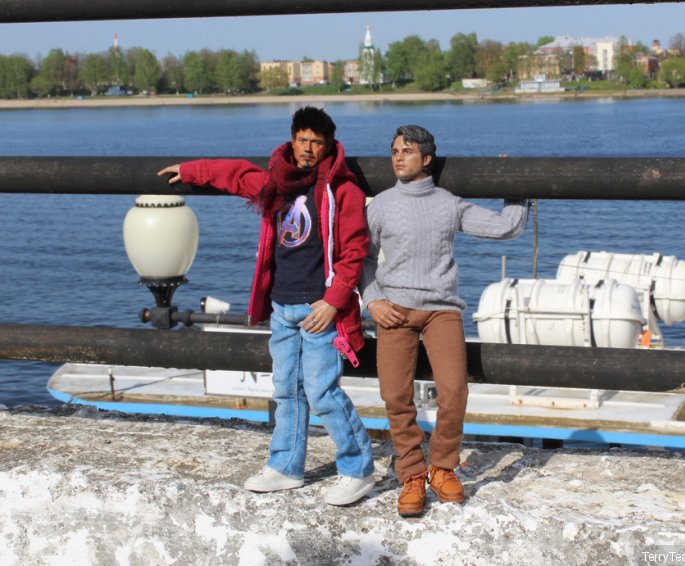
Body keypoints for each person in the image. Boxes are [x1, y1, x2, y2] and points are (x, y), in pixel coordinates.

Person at [156, 106, 374, 506]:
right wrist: (189, 171)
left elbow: (356, 250)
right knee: (286, 391)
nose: (308, 149)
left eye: (317, 143)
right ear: (293, 140)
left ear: (328, 146)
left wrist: (333, 301)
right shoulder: (277, 182)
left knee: (323, 393)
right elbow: (236, 174)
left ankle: (357, 469)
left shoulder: (344, 191)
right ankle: (286, 466)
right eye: (302, 140)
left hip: (319, 309)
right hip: (283, 307)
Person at [360, 125, 528, 517]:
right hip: (394, 310)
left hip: (442, 310)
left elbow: (507, 226)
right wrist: (373, 301)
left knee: (454, 392)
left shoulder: (448, 203)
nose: (398, 157)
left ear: (427, 158)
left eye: (407, 151)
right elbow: (363, 260)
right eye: (394, 151)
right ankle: (412, 475)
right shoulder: (380, 205)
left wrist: (517, 185)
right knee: (395, 396)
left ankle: (442, 468)